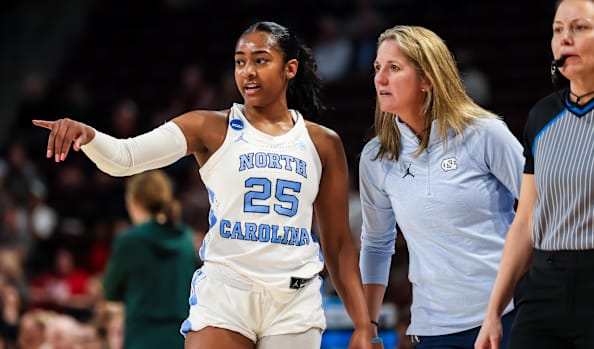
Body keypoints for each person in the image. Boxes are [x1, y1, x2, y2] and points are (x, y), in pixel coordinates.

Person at [33, 21, 373, 349]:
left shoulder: (323, 143)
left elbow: (339, 246)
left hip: (293, 299)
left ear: (290, 68)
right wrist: (88, 136)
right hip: (227, 293)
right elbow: (126, 157)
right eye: (240, 62)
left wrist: (362, 324)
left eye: (261, 61)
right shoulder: (208, 126)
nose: (248, 72)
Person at [359, 25, 524, 349]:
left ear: (428, 79)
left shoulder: (485, 134)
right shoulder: (376, 157)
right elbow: (377, 245)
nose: (380, 79)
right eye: (378, 68)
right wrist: (368, 325)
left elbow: (539, 210)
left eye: (394, 68)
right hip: (434, 327)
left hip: (507, 316)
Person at [475, 1, 594, 348]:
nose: (565, 39)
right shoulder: (541, 116)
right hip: (543, 285)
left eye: (580, 28)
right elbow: (524, 220)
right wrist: (493, 312)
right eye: (558, 30)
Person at [102, 169, 196, 349]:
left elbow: (110, 291)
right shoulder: (186, 239)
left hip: (142, 336)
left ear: (133, 202)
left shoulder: (129, 240)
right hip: (180, 337)